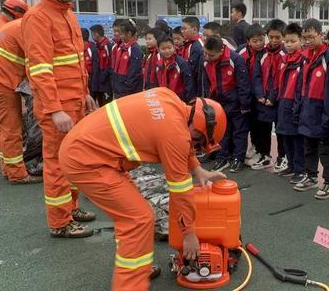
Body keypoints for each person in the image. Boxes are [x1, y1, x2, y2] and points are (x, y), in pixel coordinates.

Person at [59, 88, 228, 290]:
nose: (195, 146)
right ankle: (130, 285)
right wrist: (189, 234)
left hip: (87, 149)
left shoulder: (169, 98)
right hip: (87, 162)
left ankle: (138, 267)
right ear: (199, 128)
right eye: (198, 142)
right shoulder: (175, 134)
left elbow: (183, 138)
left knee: (132, 214)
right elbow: (180, 192)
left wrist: (197, 168)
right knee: (138, 219)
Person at [22, 0, 97, 237]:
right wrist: (55, 110)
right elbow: (40, 70)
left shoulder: (67, 14)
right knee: (56, 163)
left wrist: (86, 93)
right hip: (59, 109)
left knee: (75, 158)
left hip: (76, 102)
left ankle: (72, 207)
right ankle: (60, 222)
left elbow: (75, 61)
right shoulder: (38, 17)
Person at [0, 18, 42, 184]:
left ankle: (8, 168)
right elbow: (35, 62)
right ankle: (17, 174)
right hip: (1, 85)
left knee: (3, 129)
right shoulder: (26, 30)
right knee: (11, 130)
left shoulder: (12, 27)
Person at [294, 19, 329, 198]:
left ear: (321, 35)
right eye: (304, 38)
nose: (307, 41)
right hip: (307, 109)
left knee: (326, 149)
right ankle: (311, 176)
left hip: (322, 111)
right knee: (308, 146)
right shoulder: (304, 57)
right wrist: (299, 108)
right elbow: (301, 85)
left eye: (311, 37)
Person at [199, 36, 251, 173]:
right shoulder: (205, 61)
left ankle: (238, 159)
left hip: (236, 103)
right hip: (218, 103)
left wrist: (245, 104)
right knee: (222, 132)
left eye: (211, 54)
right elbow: (206, 84)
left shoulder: (235, 59)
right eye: (205, 53)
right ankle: (222, 157)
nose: (207, 57)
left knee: (239, 132)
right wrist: (207, 102)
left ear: (221, 50)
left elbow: (243, 83)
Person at [275, 23, 305, 182]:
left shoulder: (303, 60)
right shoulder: (284, 59)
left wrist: (297, 104)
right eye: (286, 41)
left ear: (300, 40)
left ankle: (300, 169)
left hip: (295, 102)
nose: (288, 44)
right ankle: (292, 165)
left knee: (297, 138)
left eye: (292, 41)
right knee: (285, 135)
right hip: (283, 101)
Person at [237, 25, 267, 168]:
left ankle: (261, 152)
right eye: (255, 41)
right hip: (245, 95)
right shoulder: (241, 52)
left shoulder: (267, 52)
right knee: (247, 124)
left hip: (261, 96)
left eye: (261, 39)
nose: (259, 43)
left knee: (261, 125)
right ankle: (253, 147)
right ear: (248, 41)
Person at [264, 19, 288, 174]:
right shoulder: (264, 53)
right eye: (271, 37)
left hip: (279, 98)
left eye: (277, 37)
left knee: (281, 129)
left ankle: (283, 156)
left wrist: (272, 96)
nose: (273, 40)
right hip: (265, 98)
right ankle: (265, 155)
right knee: (265, 126)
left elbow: (280, 78)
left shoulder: (285, 54)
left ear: (283, 37)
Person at [155, 36, 195, 102]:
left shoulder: (181, 63)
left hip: (179, 99)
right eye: (163, 49)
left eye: (169, 48)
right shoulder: (158, 64)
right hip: (164, 98)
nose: (167, 51)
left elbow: (189, 83)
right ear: (158, 49)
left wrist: (189, 101)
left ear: (174, 47)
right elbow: (157, 84)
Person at [112, 19, 143, 98]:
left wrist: (126, 89)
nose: (120, 36)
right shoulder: (121, 47)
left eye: (122, 34)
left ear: (129, 33)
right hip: (118, 88)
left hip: (127, 91)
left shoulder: (135, 49)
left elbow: (134, 73)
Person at [89, 24, 114, 106]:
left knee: (106, 106)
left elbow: (110, 65)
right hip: (98, 83)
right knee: (99, 105)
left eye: (92, 34)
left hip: (106, 84)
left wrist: (103, 78)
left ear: (96, 34)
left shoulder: (108, 46)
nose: (92, 37)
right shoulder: (96, 46)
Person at [180, 16, 204, 85]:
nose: (182, 31)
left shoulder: (198, 45)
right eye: (181, 29)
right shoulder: (188, 43)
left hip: (194, 84)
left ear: (194, 29)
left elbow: (193, 71)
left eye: (184, 29)